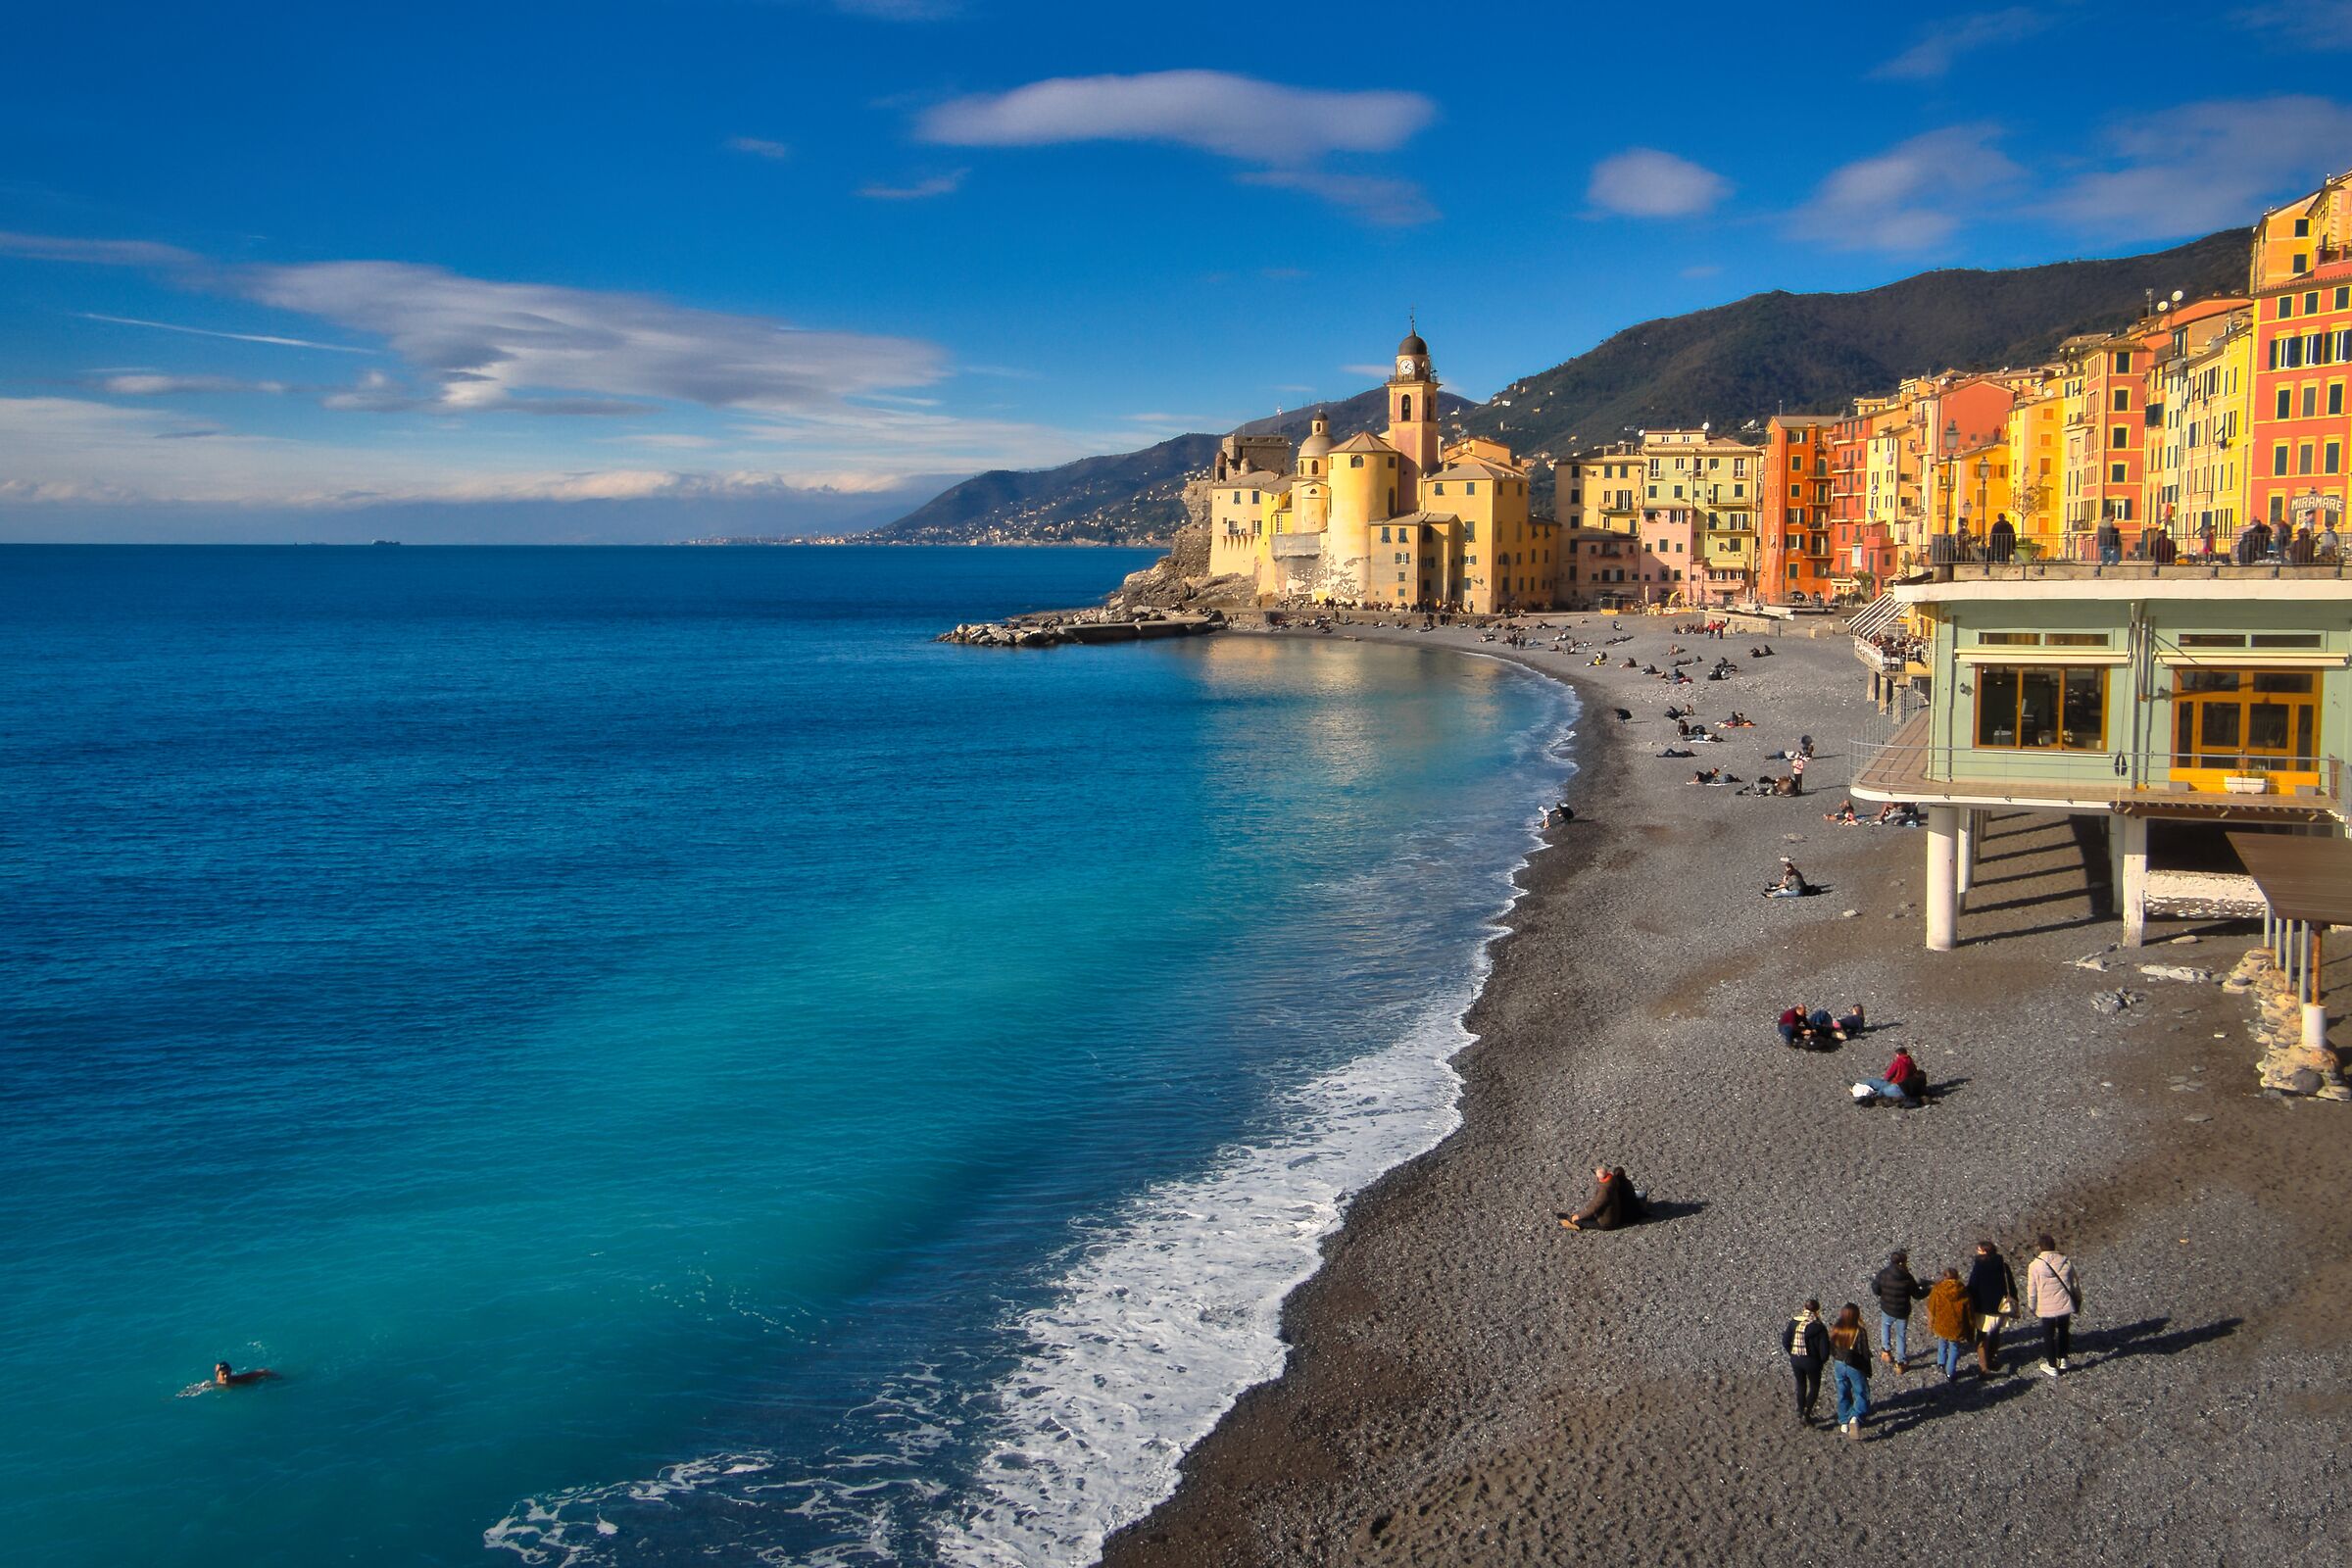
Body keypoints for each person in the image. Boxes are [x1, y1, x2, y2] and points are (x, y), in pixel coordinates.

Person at [2026, 1233, 2082, 1376]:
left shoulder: (2035, 1265)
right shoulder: (2065, 1261)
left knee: (2048, 1335)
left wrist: (2032, 1306)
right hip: (2064, 1303)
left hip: (2046, 1306)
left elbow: (2032, 1290)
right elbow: (2074, 1284)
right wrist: (2078, 1300)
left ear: (2040, 1247)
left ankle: (2052, 1365)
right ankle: (2063, 1358)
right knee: (2064, 1331)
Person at [1966, 1240, 2017, 1375]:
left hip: (1982, 1308)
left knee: (1981, 1337)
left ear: (1985, 1251)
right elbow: (2011, 1285)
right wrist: (2015, 1300)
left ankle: (1984, 1367)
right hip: (2000, 1307)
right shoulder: (2002, 1265)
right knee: (1995, 1334)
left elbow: (1972, 1287)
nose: (1977, 1252)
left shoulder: (1979, 1267)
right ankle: (1991, 1358)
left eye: (1979, 1250)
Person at [1872, 1250, 1925, 1373]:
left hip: (1887, 1308)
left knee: (1885, 1326)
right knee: (1900, 1335)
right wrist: (1928, 1290)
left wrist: (1883, 1294)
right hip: (1902, 1311)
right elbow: (1917, 1294)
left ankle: (1886, 1351)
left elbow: (1875, 1288)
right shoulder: (1907, 1278)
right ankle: (1900, 1362)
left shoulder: (1884, 1273)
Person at [1828, 1303, 1873, 1438]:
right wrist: (1868, 1370)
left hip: (1839, 1364)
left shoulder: (1836, 1328)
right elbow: (1864, 1352)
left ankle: (1843, 1421)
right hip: (1854, 1364)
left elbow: (1831, 1347)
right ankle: (1856, 1417)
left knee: (1843, 1391)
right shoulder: (1859, 1331)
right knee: (1861, 1392)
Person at [1784, 1299, 1831, 1425]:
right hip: (1812, 1362)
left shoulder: (1794, 1322)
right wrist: (1821, 1362)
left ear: (1804, 1308)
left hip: (1796, 1359)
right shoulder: (1819, 1327)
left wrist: (1793, 1353)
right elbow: (1825, 1351)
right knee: (1814, 1387)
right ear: (1817, 1311)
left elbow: (1785, 1341)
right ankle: (1807, 1412)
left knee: (1801, 1385)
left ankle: (1800, 1409)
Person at [1559, 1165, 1642, 1231]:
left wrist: (1578, 1217)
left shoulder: (1605, 1190)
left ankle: (1573, 1222)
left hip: (1606, 1222)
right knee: (1586, 1216)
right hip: (1616, 1215)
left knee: (1579, 1221)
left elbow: (1595, 1207)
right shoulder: (1613, 1181)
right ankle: (1572, 1218)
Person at [1926, 1266, 1973, 1381]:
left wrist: (1930, 1324)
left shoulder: (1937, 1290)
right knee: (1954, 1349)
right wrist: (1970, 1331)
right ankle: (1950, 1373)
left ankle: (1941, 1363)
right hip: (1957, 1326)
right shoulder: (1964, 1292)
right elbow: (1969, 1313)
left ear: (1944, 1277)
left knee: (1942, 1342)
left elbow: (1931, 1308)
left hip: (1941, 1324)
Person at [1854, 1046, 1923, 1106]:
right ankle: (1870, 1093)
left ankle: (1860, 1087)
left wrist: (1886, 1079)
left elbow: (1889, 1074)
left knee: (1871, 1081)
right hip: (1905, 1085)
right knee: (1882, 1088)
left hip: (1896, 1084)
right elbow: (1914, 1072)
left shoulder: (1898, 1062)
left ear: (1898, 1054)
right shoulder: (1910, 1061)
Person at [211, 1361, 279, 1389]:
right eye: (223, 1374)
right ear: (217, 1375)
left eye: (227, 1373)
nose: (226, 1376)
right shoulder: (213, 1386)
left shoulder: (240, 1380)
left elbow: (263, 1371)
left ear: (231, 1371)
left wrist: (276, 1376)